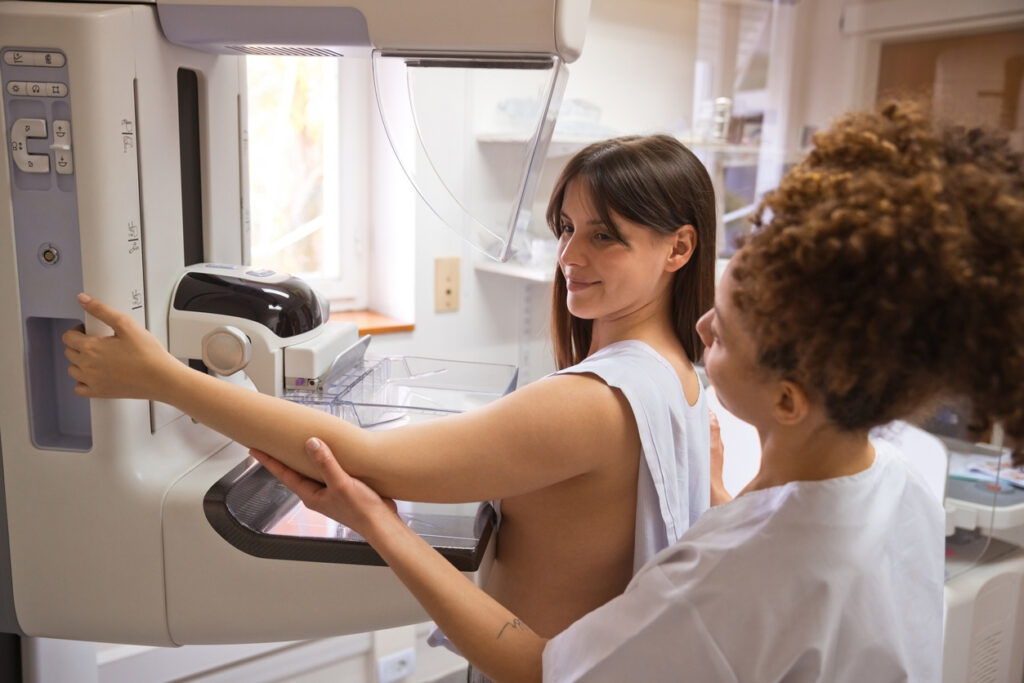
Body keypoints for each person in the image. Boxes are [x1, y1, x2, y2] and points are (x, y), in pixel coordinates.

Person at [248, 100, 1024, 682]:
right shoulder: (902, 482)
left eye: (730, 328)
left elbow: (543, 665)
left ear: (791, 400)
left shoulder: (723, 580)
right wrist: (721, 495)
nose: (707, 327)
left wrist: (374, 521)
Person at [63, 135, 719, 647]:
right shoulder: (678, 375)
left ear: (678, 247)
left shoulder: (594, 401)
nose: (570, 256)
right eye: (567, 228)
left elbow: (361, 457)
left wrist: (160, 379)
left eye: (605, 235)